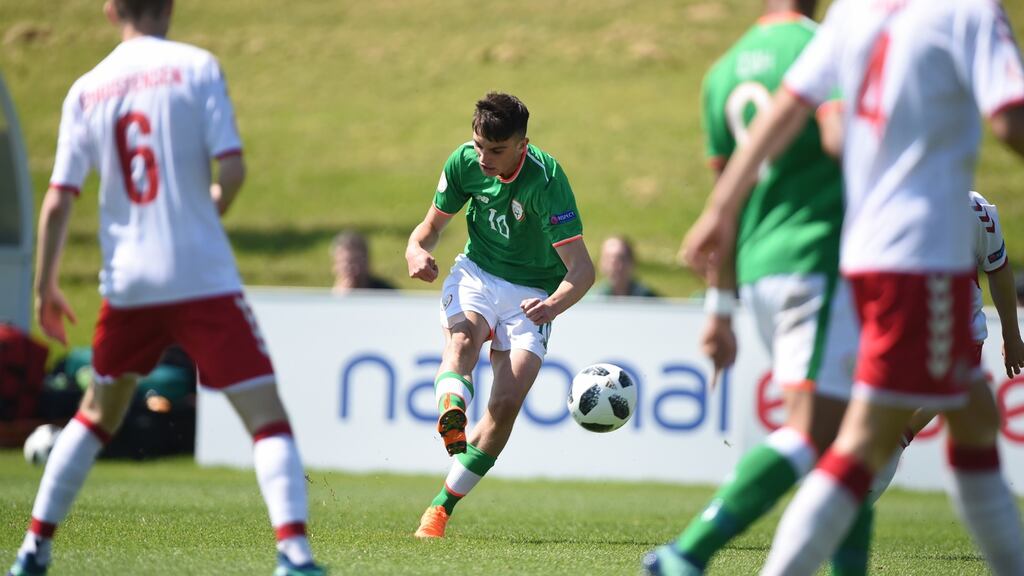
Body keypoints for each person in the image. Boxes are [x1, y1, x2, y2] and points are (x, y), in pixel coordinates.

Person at [680, 1, 1024, 574]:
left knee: (968, 413)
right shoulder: (969, 10)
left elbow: (783, 113)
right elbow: (1010, 122)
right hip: (921, 251)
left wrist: (721, 207)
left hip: (860, 252)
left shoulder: (853, 12)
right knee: (855, 441)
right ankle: (696, 556)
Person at [8, 2, 324, 575]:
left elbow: (59, 199)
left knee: (95, 416)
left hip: (128, 282)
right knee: (265, 416)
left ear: (110, 11)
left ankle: (33, 549)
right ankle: (294, 555)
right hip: (200, 275)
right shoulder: (197, 66)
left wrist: (45, 289)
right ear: (170, 6)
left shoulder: (86, 88)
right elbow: (232, 170)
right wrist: (212, 211)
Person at [644, 2, 873, 574]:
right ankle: (687, 552)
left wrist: (719, 308)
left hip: (760, 266)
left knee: (848, 437)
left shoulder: (723, 71)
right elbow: (840, 139)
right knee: (822, 432)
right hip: (820, 255)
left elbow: (728, 199)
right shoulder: (823, 45)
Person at [404, 92, 594, 538]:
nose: (484, 159)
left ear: (522, 145)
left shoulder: (547, 182)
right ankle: (452, 409)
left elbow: (583, 269)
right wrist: (414, 249)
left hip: (533, 293)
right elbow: (429, 229)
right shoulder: (463, 163)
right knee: (463, 341)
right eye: (478, 146)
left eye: (497, 150)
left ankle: (439, 510)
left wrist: (553, 305)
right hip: (477, 273)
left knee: (506, 405)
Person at [873, 191, 1024, 491]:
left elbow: (998, 269)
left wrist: (1012, 333)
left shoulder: (975, 209)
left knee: (896, 432)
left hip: (959, 334)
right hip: (900, 330)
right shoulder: (885, 198)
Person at [330, 229, 395, 294]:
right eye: (347, 264)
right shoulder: (326, 301)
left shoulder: (387, 295)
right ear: (335, 266)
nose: (353, 271)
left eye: (357, 262)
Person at [592, 235, 659, 298]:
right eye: (608, 258)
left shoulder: (648, 299)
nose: (614, 264)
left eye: (621, 258)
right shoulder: (592, 300)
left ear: (632, 261)